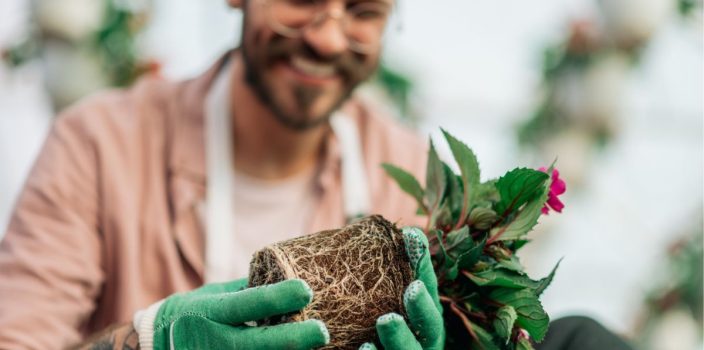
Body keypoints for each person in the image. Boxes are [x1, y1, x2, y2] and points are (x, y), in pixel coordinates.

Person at [0, 0, 445, 349]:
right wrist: (149, 342)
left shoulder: (408, 174)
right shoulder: (98, 147)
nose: (327, 40)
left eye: (363, 10)